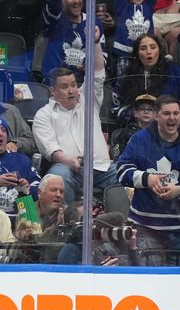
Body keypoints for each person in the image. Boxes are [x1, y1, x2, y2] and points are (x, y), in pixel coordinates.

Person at [117, 95, 180, 266]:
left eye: (176, 113)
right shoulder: (139, 140)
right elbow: (122, 172)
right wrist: (147, 178)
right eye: (166, 113)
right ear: (156, 116)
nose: (172, 118)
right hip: (146, 228)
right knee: (149, 283)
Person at [32, 33, 118, 205]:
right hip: (68, 169)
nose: (72, 91)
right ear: (52, 91)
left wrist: (95, 42)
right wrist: (69, 161)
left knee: (126, 174)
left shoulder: (89, 100)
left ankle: (122, 226)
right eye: (64, 87)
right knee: (58, 179)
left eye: (73, 85)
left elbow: (98, 73)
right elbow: (50, 149)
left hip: (102, 167)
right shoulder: (43, 115)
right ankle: (66, 226)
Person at [114, 33, 180, 124]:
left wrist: (166, 114)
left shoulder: (174, 71)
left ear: (159, 50)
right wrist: (136, 115)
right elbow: (116, 108)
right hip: (136, 127)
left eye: (153, 47)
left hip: (169, 126)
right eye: (143, 48)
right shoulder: (128, 75)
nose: (149, 52)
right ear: (137, 53)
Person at [40, 0, 107, 84]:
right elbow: (52, 6)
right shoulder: (54, 19)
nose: (76, 1)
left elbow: (102, 59)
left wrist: (88, 65)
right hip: (54, 84)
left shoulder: (94, 22)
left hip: (85, 86)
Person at [0, 119, 40, 220]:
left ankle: (31, 231)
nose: (0, 133)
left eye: (3, 130)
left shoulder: (21, 160)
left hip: (20, 220)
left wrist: (27, 188)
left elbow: (39, 187)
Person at [109, 93, 157, 160]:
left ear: (156, 114)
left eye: (150, 109)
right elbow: (118, 160)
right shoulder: (123, 134)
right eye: (142, 108)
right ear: (135, 113)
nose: (146, 111)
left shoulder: (161, 135)